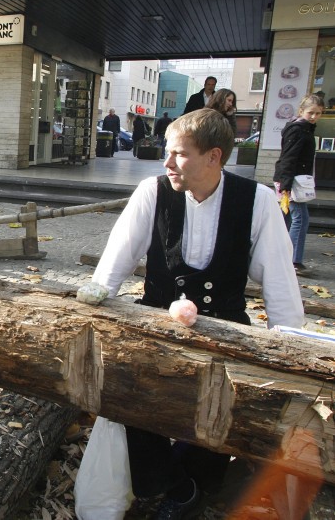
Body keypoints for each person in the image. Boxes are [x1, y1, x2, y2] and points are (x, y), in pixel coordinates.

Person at [87, 108, 304, 519]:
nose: (166, 163)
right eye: (167, 152)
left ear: (213, 156)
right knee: (123, 392)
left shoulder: (256, 200)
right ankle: (175, 487)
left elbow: (279, 278)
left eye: (179, 154)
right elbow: (115, 261)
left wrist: (290, 350)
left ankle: (198, 483)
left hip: (226, 331)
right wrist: (93, 308)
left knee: (227, 407)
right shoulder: (152, 192)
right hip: (156, 324)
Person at [273, 94, 324, 276]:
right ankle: (293, 260)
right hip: (291, 181)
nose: (314, 116)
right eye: (311, 112)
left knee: (287, 219)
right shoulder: (298, 130)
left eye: (318, 113)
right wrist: (286, 185)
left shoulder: (304, 129)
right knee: (300, 219)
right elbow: (288, 158)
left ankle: (280, 257)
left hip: (291, 180)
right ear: (302, 111)